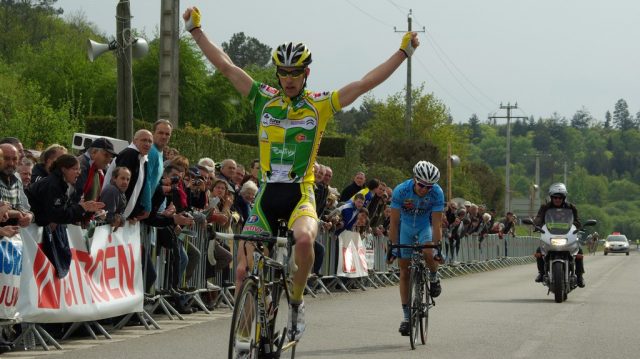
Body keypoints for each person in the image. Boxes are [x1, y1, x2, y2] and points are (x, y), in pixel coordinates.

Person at [183, 5, 420, 342]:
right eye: (283, 72)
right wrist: (195, 31)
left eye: (295, 72)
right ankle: (245, 339)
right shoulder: (261, 99)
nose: (289, 78)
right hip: (266, 194)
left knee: (306, 239)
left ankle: (295, 301)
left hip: (300, 193)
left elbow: (366, 83)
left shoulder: (319, 105)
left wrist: (403, 52)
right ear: (277, 74)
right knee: (241, 272)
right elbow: (225, 65)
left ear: (306, 74)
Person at [387, 161, 444, 336]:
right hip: (405, 227)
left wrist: (437, 248)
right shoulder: (401, 190)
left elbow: (436, 224)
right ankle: (406, 317)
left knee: (428, 251)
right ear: (415, 179)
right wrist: (392, 247)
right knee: (404, 271)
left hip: (423, 226)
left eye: (429, 186)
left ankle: (434, 277)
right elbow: (394, 223)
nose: (424, 189)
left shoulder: (437, 193)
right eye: (421, 185)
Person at [26, 154, 105, 277]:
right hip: (29, 229)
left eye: (79, 169)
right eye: (75, 169)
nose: (78, 173)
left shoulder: (63, 184)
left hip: (40, 228)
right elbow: (57, 215)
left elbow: (65, 211)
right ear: (63, 169)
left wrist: (85, 209)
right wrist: (81, 208)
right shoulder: (53, 184)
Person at [533, 182, 585, 287]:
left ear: (564, 198)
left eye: (560, 198)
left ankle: (579, 275)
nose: (557, 199)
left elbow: (577, 221)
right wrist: (536, 224)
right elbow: (539, 217)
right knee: (539, 251)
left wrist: (575, 226)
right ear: (551, 197)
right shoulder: (545, 207)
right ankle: (541, 273)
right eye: (555, 197)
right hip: (550, 234)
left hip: (566, 235)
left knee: (579, 250)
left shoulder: (571, 207)